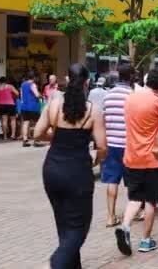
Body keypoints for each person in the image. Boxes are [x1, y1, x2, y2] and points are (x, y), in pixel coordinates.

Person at [34, 63, 107, 269]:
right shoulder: (93, 111)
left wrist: (56, 136)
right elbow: (102, 146)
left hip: (53, 169)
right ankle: (55, 264)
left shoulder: (54, 104)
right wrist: (97, 159)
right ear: (87, 83)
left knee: (64, 223)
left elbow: (37, 134)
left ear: (67, 80)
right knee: (79, 227)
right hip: (78, 173)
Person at [115, 67, 158, 255]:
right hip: (152, 159)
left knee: (134, 197)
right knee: (150, 201)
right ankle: (146, 240)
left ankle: (124, 226)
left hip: (132, 156)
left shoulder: (131, 98)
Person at [101, 64, 135, 227]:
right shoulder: (132, 95)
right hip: (129, 144)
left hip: (111, 143)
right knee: (131, 181)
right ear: (131, 77)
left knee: (112, 180)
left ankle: (110, 216)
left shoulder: (107, 96)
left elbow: (102, 120)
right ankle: (134, 213)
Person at [21, 71, 41, 147]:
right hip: (33, 107)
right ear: (34, 77)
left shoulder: (23, 84)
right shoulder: (33, 84)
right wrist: (40, 95)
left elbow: (22, 96)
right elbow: (36, 95)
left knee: (26, 123)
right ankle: (36, 140)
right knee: (37, 123)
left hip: (24, 107)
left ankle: (25, 140)